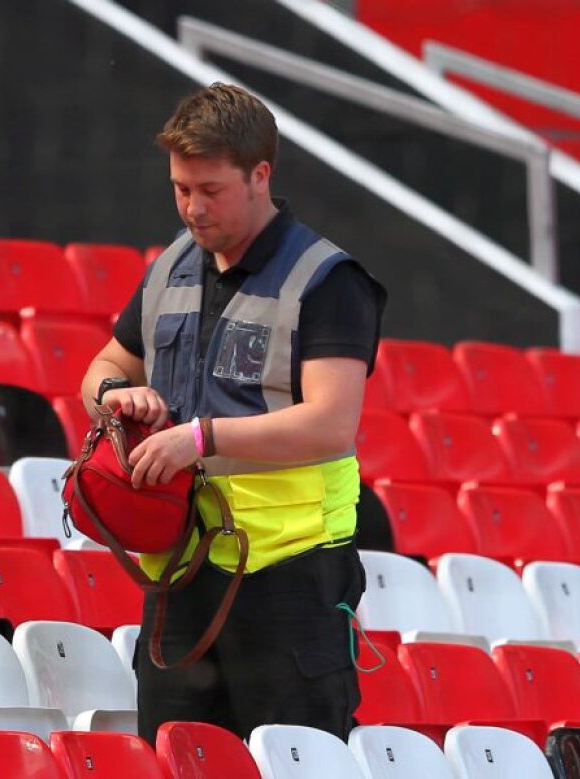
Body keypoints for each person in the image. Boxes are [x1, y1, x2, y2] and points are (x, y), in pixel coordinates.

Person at [80, 83, 386, 742]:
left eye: (210, 190)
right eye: (180, 188)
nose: (193, 207)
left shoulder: (328, 280)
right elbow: (101, 368)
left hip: (291, 577)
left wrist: (200, 439)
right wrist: (115, 397)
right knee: (176, 758)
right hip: (182, 575)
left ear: (260, 175)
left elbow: (331, 424)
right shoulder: (169, 268)